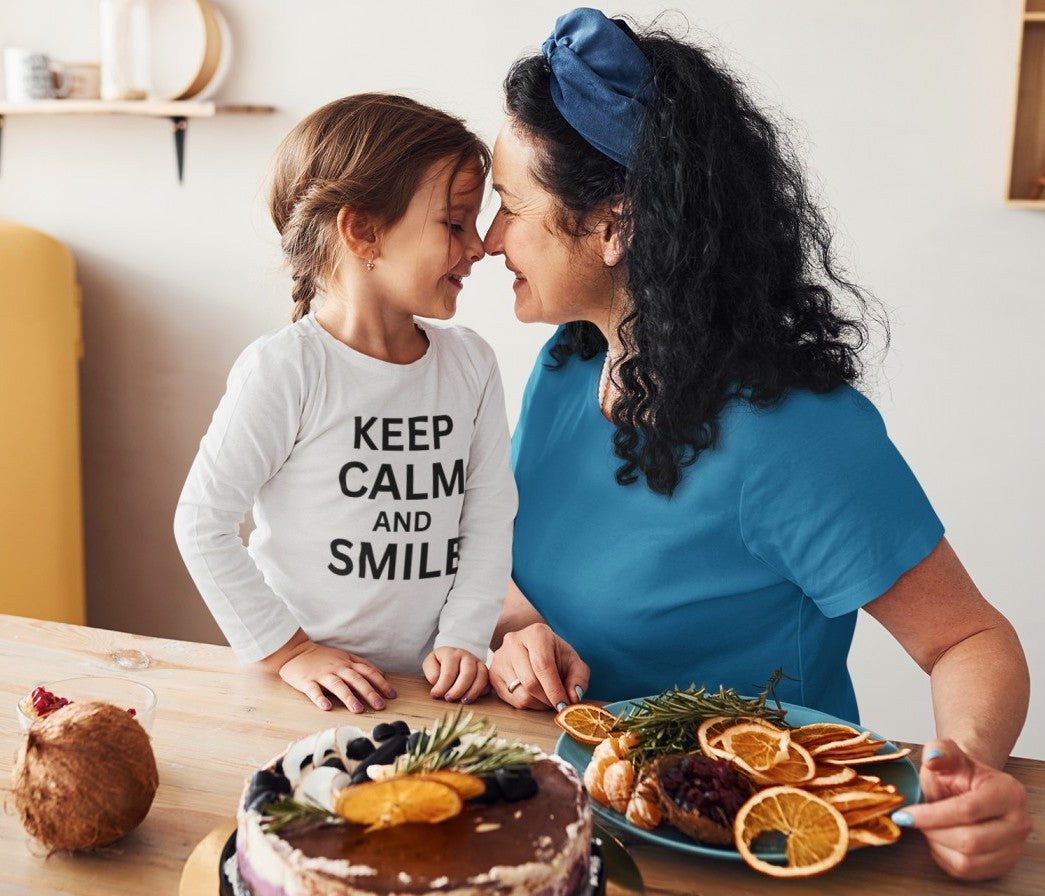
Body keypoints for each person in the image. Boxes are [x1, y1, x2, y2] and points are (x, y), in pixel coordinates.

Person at [483, 8, 1031, 880]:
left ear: (615, 223)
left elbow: (968, 639)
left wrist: (968, 772)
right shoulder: (566, 363)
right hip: (568, 825)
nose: (485, 241)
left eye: (509, 207)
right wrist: (518, 624)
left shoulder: (797, 433)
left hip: (741, 854)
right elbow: (515, 563)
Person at [174, 94, 517, 714]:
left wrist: (465, 638)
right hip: (307, 692)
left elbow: (489, 517)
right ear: (362, 230)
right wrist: (290, 652)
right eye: (455, 223)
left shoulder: (471, 365)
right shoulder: (286, 369)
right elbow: (201, 523)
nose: (477, 248)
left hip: (427, 693)